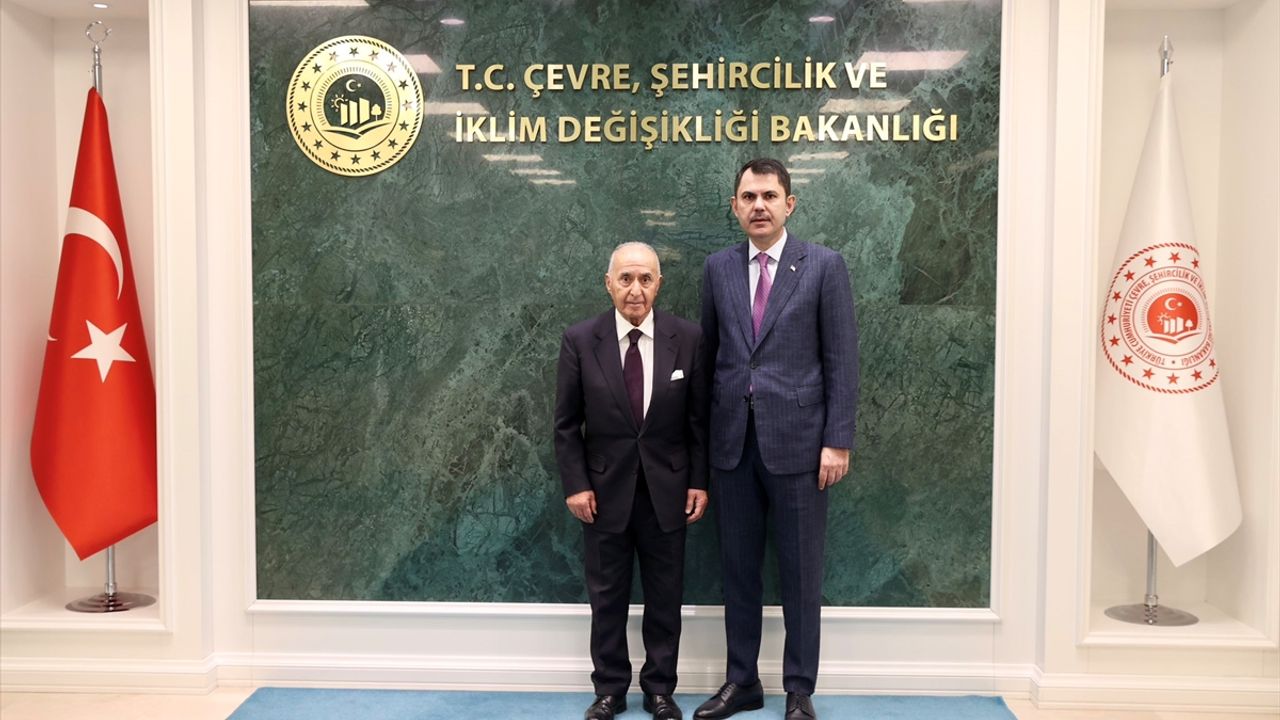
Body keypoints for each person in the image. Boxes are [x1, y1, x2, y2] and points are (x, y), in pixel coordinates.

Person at [694, 159, 859, 720]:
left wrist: (838, 440)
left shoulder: (824, 266)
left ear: (790, 204)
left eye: (769, 196)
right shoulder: (717, 268)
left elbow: (841, 358)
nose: (758, 206)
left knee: (800, 575)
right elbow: (709, 357)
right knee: (737, 571)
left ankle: (799, 689)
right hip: (732, 445)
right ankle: (741, 681)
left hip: (802, 448)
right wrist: (704, 447)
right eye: (748, 197)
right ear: (735, 207)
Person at [554, 242, 710, 720]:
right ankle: (610, 690)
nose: (635, 289)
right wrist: (576, 485)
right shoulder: (581, 340)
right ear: (609, 284)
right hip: (602, 495)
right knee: (607, 598)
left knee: (665, 597)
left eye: (645, 279)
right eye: (625, 279)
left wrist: (699, 481)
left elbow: (699, 421)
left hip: (669, 492)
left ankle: (660, 689)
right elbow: (566, 424)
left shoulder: (689, 338)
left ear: (659, 284)